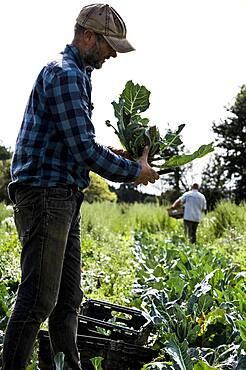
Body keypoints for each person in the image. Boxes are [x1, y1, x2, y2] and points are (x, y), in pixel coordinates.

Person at [2, 4, 159, 369]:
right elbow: (85, 150)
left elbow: (77, 141)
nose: (111, 55)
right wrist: (133, 172)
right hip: (45, 194)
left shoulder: (78, 74)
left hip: (62, 195)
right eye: (109, 46)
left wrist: (120, 155)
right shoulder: (65, 73)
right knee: (38, 299)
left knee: (69, 298)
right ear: (88, 36)